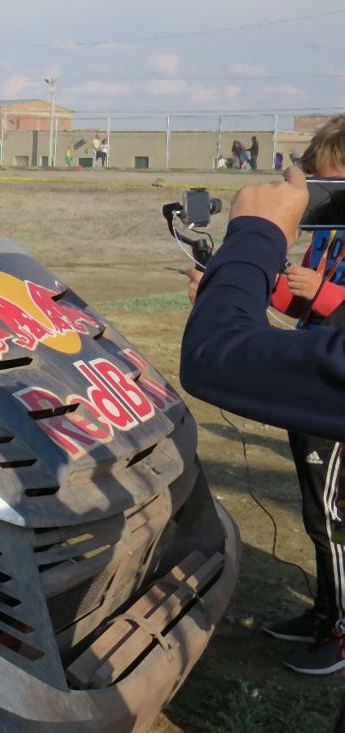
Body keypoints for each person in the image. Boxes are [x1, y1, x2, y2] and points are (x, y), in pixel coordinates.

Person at [181, 150, 345, 676]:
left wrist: (252, 238)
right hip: (312, 390)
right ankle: (328, 612)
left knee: (333, 522)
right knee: (319, 517)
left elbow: (217, 356)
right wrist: (236, 291)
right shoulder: (331, 240)